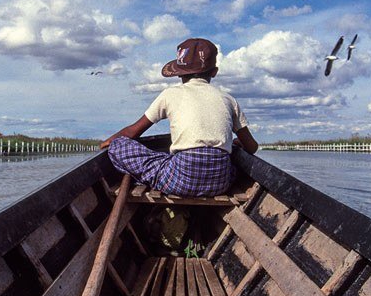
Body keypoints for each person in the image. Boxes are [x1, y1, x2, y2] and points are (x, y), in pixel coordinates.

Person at [100, 37, 259, 196]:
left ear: (179, 74)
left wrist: (111, 142)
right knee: (232, 157)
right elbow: (252, 147)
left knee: (119, 145)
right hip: (220, 184)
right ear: (214, 72)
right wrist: (234, 144)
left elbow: (133, 132)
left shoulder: (170, 94)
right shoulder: (229, 100)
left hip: (181, 182)